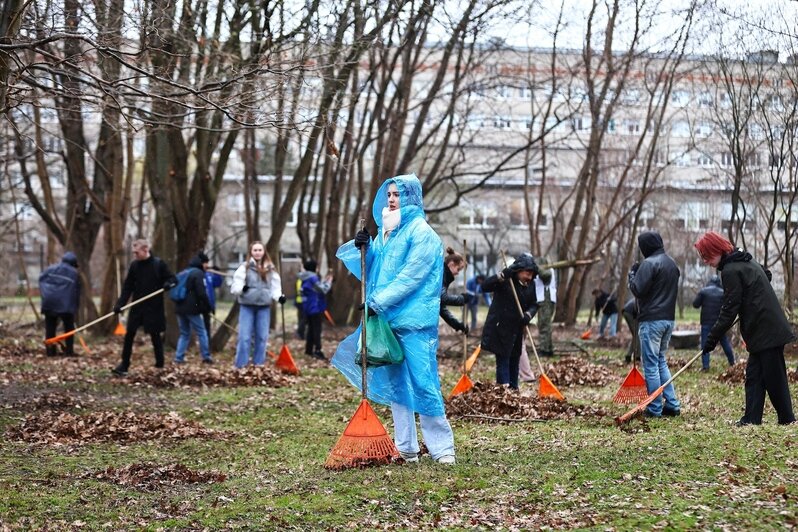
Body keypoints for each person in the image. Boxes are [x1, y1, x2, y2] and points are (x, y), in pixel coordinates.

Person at [332, 173, 456, 464]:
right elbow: (375, 269)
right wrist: (363, 246)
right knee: (398, 386)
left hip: (414, 323)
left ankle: (442, 449)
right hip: (388, 321)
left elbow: (410, 277)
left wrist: (377, 301)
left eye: (397, 194)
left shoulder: (422, 234)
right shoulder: (387, 232)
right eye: (388, 193)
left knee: (424, 382)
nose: (391, 199)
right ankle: (406, 448)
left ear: (411, 197)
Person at [694, 231, 795, 426]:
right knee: (754, 376)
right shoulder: (744, 259)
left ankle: (787, 419)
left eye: (707, 256)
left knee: (774, 377)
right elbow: (766, 274)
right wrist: (749, 298)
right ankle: (751, 419)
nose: (706, 261)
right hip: (762, 329)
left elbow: (728, 310)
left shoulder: (731, 270)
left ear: (717, 250)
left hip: (766, 328)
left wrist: (711, 339)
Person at [627, 230, 681, 418]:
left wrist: (632, 275)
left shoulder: (649, 264)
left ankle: (655, 408)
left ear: (645, 247)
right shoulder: (672, 264)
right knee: (660, 361)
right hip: (668, 319)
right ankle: (672, 404)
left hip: (651, 320)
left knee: (650, 365)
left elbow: (638, 290)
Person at [112, 239, 176, 376]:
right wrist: (120, 304)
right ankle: (124, 365)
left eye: (137, 252)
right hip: (137, 306)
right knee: (129, 335)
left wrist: (167, 284)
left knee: (155, 336)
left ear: (146, 250)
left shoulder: (158, 264)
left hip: (153, 307)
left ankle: (160, 365)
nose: (135, 255)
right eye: (133, 252)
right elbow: (128, 287)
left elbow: (173, 279)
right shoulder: (134, 266)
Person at [480, 253, 539, 390]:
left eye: (532, 274)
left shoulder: (531, 284)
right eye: (527, 273)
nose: (529, 277)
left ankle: (514, 388)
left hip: (517, 328)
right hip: (500, 326)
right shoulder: (506, 280)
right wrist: (500, 276)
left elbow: (535, 304)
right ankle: (503, 390)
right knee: (503, 357)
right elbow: (484, 286)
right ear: (518, 270)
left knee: (515, 358)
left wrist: (528, 315)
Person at [230, 241, 285, 369]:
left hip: (264, 307)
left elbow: (275, 288)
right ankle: (240, 365)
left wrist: (279, 297)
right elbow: (235, 285)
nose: (257, 253)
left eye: (260, 250)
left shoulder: (270, 269)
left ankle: (258, 364)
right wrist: (241, 289)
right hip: (247, 306)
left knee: (262, 338)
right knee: (244, 337)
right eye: (255, 250)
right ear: (251, 252)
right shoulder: (245, 267)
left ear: (264, 252)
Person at [173, 254, 213, 365]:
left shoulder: (184, 272)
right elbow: (201, 293)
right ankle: (206, 356)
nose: (207, 266)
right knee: (202, 331)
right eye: (206, 263)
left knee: (184, 333)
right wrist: (207, 307)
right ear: (201, 263)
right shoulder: (198, 274)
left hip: (179, 308)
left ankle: (178, 358)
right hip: (192, 309)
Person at [39, 251, 80, 357]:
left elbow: (41, 280)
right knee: (69, 328)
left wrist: (46, 294)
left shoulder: (50, 269)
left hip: (49, 302)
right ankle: (69, 351)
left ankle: (50, 351)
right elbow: (77, 291)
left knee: (50, 327)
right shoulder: (74, 273)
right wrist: (76, 307)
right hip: (66, 305)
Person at [692, 275, 735, 371]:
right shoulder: (723, 293)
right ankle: (732, 362)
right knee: (724, 342)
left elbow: (695, 304)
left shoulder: (703, 291)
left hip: (706, 322)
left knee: (705, 344)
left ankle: (705, 366)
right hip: (719, 323)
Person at [300, 259, 333, 360]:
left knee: (311, 329)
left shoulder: (305, 278)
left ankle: (309, 349)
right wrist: (329, 282)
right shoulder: (313, 278)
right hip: (315, 307)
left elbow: (315, 289)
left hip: (308, 307)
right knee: (316, 330)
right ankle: (318, 350)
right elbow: (323, 289)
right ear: (314, 268)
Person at [439, 247, 471, 334]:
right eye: (458, 269)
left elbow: (441, 307)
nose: (457, 273)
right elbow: (442, 298)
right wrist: (461, 299)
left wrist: (458, 325)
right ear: (452, 264)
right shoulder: (441, 274)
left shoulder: (444, 275)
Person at [198, 252, 223, 349]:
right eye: (205, 263)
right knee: (198, 327)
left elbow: (217, 283)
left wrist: (217, 274)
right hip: (197, 305)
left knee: (206, 326)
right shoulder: (196, 274)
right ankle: (201, 345)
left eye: (207, 263)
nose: (207, 265)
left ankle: (206, 346)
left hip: (208, 305)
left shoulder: (209, 275)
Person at [535, 267, 555, 357]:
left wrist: (537, 268)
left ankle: (544, 349)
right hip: (544, 298)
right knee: (545, 324)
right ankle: (548, 348)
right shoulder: (547, 270)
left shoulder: (548, 271)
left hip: (545, 298)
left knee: (544, 324)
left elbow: (545, 275)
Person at [621, 297, 638, 364]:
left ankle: (636, 356)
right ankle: (630, 356)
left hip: (627, 311)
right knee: (637, 335)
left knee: (636, 335)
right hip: (630, 312)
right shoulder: (646, 298)